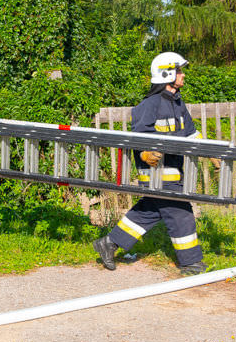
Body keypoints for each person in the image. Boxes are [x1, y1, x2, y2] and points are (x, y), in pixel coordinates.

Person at [93, 52, 218, 275]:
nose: (183, 75)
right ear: (167, 73)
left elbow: (190, 134)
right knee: (179, 211)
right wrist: (144, 154)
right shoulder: (149, 105)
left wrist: (211, 153)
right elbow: (138, 136)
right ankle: (191, 263)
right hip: (156, 173)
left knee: (150, 211)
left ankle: (109, 244)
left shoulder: (178, 103)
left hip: (174, 172)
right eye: (179, 71)